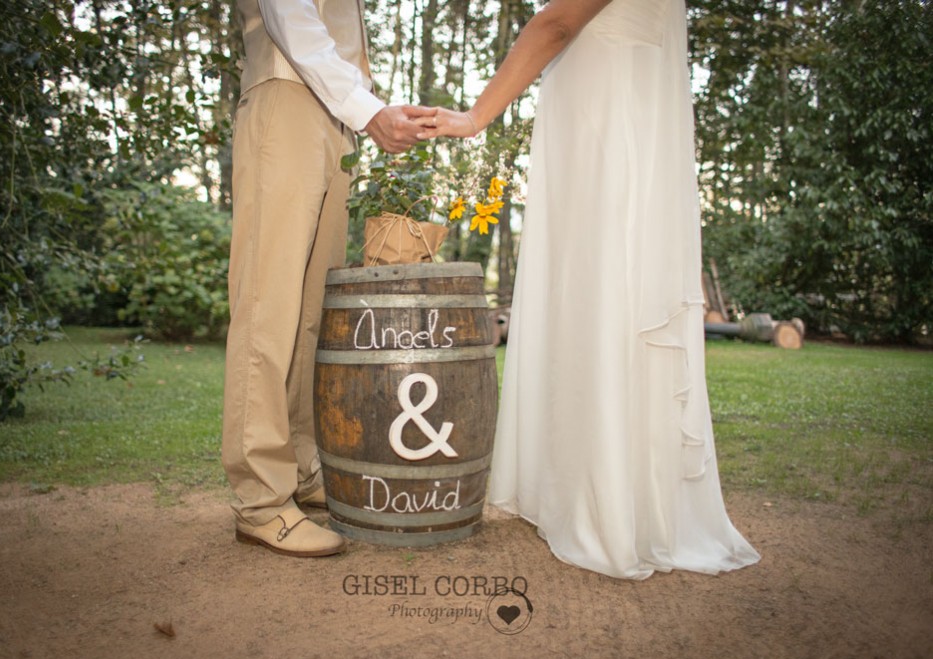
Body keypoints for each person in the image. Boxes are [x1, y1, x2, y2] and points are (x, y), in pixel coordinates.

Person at [418, 0, 760, 578]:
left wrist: (477, 116)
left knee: (599, 285)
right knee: (600, 290)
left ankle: (604, 501)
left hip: (606, 110)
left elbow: (559, 22)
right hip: (613, 100)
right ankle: (600, 491)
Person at [224, 0, 434, 557]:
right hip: (286, 96)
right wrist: (369, 110)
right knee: (268, 305)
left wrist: (359, 112)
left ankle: (298, 465)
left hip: (333, 119)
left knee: (311, 311)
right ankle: (261, 498)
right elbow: (290, 17)